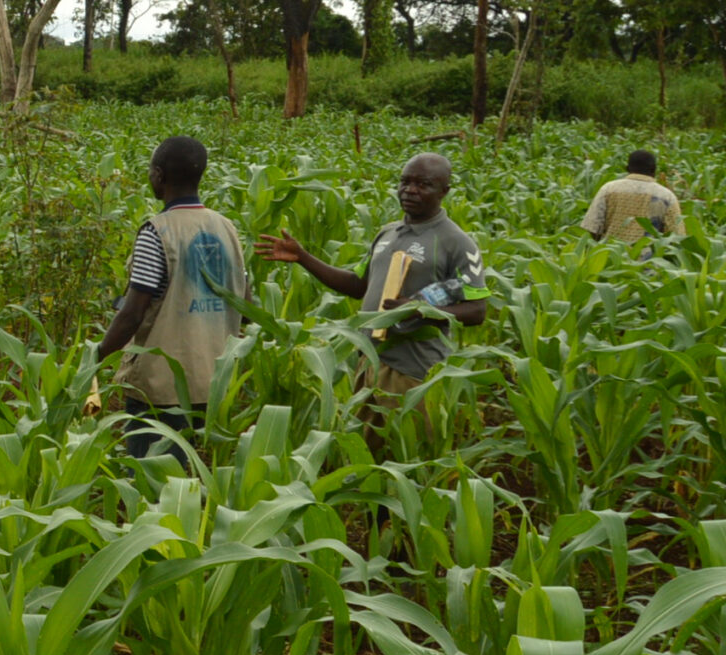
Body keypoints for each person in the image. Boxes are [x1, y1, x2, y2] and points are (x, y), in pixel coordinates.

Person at [256, 151, 489, 414]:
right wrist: (303, 257)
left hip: (413, 372)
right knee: (362, 438)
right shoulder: (388, 233)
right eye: (405, 182)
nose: (410, 190)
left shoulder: (456, 242)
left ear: (444, 191)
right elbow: (359, 285)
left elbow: (476, 311)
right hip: (369, 362)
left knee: (405, 439)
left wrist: (420, 311)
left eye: (423, 184)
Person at [93, 135, 249, 463]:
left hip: (161, 387)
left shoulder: (156, 233)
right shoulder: (227, 229)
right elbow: (245, 307)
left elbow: (133, 313)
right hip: (215, 382)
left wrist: (97, 356)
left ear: (159, 175)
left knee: (153, 479)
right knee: (193, 477)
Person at [581, 150, 684, 244]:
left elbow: (592, 228)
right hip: (649, 257)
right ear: (654, 170)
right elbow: (676, 236)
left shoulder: (608, 189)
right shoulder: (667, 196)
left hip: (610, 253)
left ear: (627, 168)